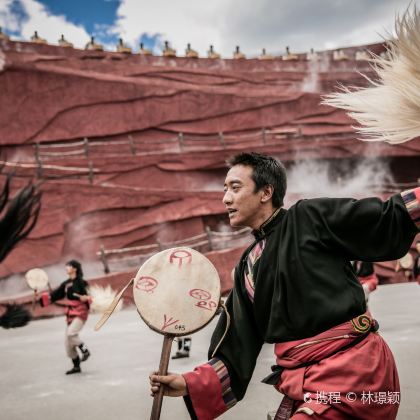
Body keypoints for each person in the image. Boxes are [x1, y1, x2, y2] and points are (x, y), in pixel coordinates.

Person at [150, 152, 420, 419]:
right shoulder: (248, 264)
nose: (226, 198)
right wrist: (188, 383)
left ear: (266, 192)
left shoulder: (308, 218)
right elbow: (237, 344)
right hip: (308, 383)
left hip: (357, 371)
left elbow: (384, 219)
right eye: (224, 189)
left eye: (235, 187)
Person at [40, 260, 91, 374]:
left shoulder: (83, 282)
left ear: (75, 268)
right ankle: (76, 367)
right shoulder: (66, 284)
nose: (66, 268)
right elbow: (55, 295)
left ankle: (85, 351)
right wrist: (43, 297)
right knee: (68, 344)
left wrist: (87, 298)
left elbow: (90, 295)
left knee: (71, 334)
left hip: (81, 312)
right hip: (71, 314)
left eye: (69, 266)